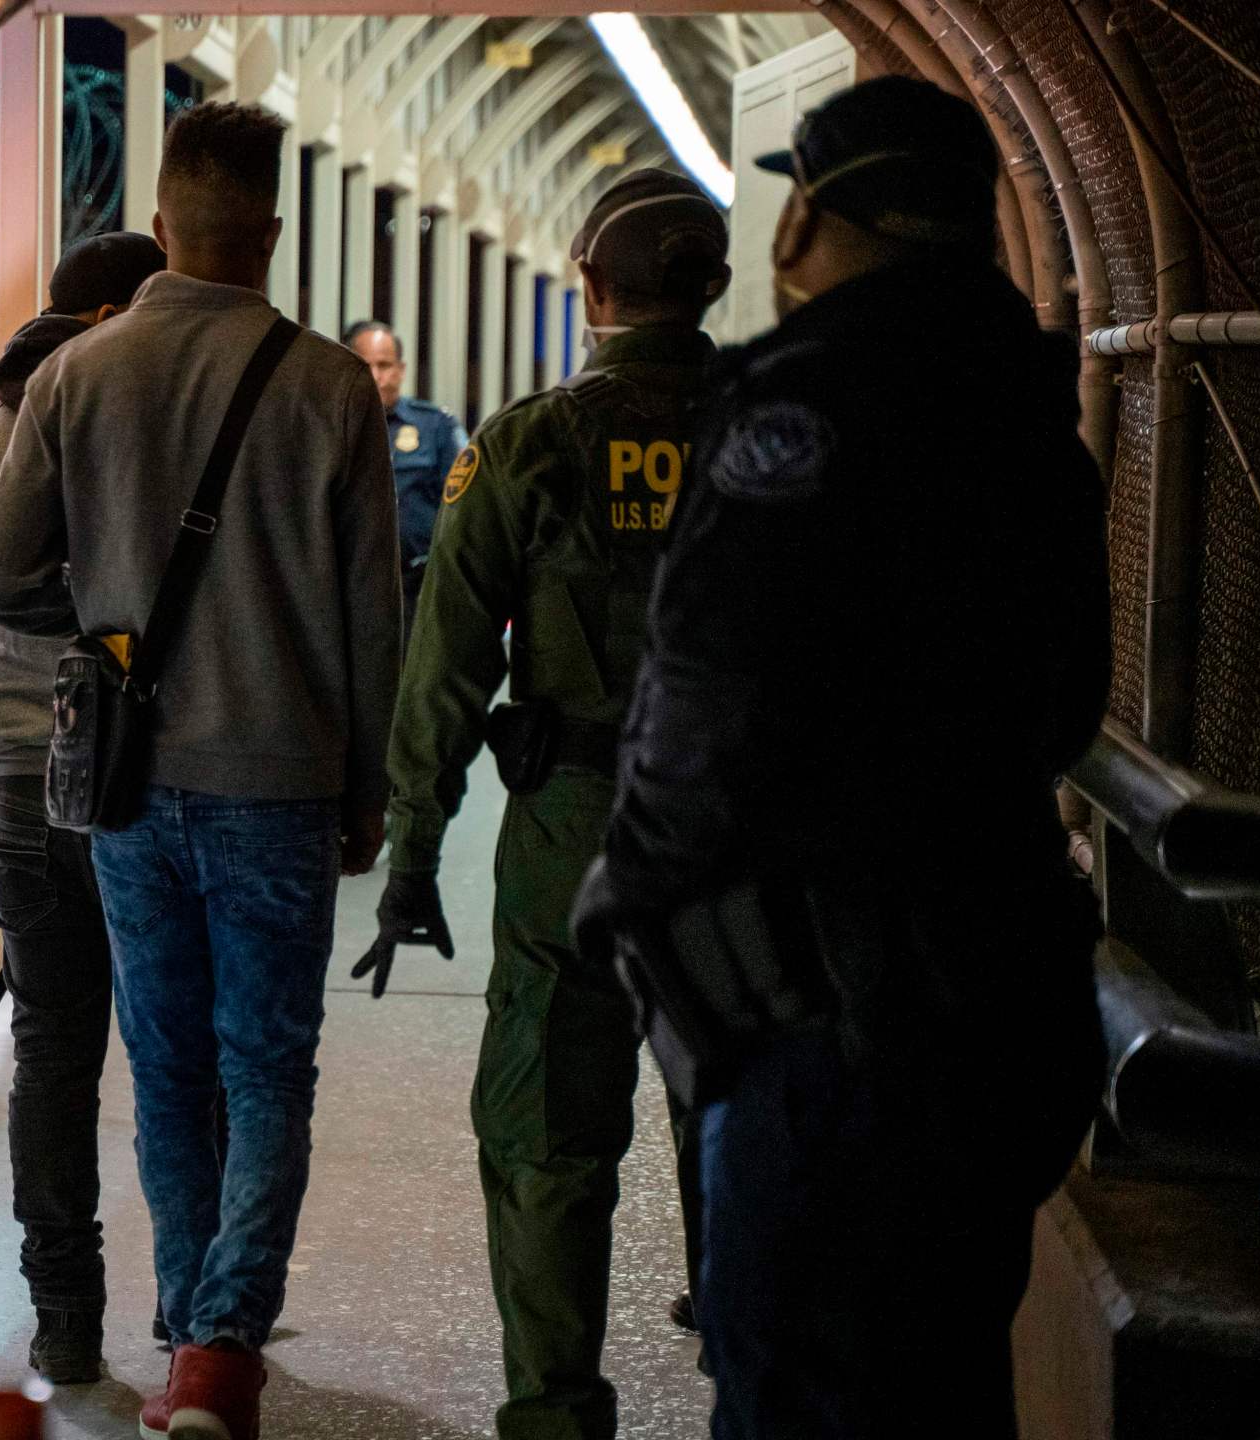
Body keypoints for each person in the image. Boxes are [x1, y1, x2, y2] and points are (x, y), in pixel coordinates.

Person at [571, 77, 1108, 1437]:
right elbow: (1068, 706)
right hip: (1001, 993)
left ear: (812, 214)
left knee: (798, 1380)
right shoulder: (1031, 408)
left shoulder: (799, 410)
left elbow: (706, 697)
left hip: (828, 1015)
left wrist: (626, 892)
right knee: (936, 1382)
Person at [0, 102, 401, 1440]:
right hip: (279, 779)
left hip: (128, 790)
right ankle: (221, 1348)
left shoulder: (76, 377)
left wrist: (109, 630)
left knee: (163, 1065)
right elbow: (376, 617)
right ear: (270, 232)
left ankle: (186, 1338)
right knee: (266, 1067)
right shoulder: (330, 384)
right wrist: (370, 789)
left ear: (161, 226)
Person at [363, 169, 730, 1440]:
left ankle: (557, 1414)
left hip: (573, 826)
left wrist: (412, 856)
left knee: (546, 1131)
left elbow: (447, 664)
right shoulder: (780, 433)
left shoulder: (528, 442)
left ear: (589, 287)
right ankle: (751, 1369)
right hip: (739, 833)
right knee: (734, 1104)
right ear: (717, 289)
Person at [0, 228, 167, 1385]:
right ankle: (196, 1310)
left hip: (17, 779)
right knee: (174, 1047)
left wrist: (14, 682)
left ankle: (62, 1318)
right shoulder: (140, 432)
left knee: (53, 1051)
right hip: (152, 779)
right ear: (118, 316)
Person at [341, 319, 463, 631]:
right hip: (349, 587)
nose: (378, 377)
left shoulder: (434, 426)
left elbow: (459, 508)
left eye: (385, 365)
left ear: (401, 369)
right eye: (366, 365)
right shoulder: (330, 429)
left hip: (416, 589)